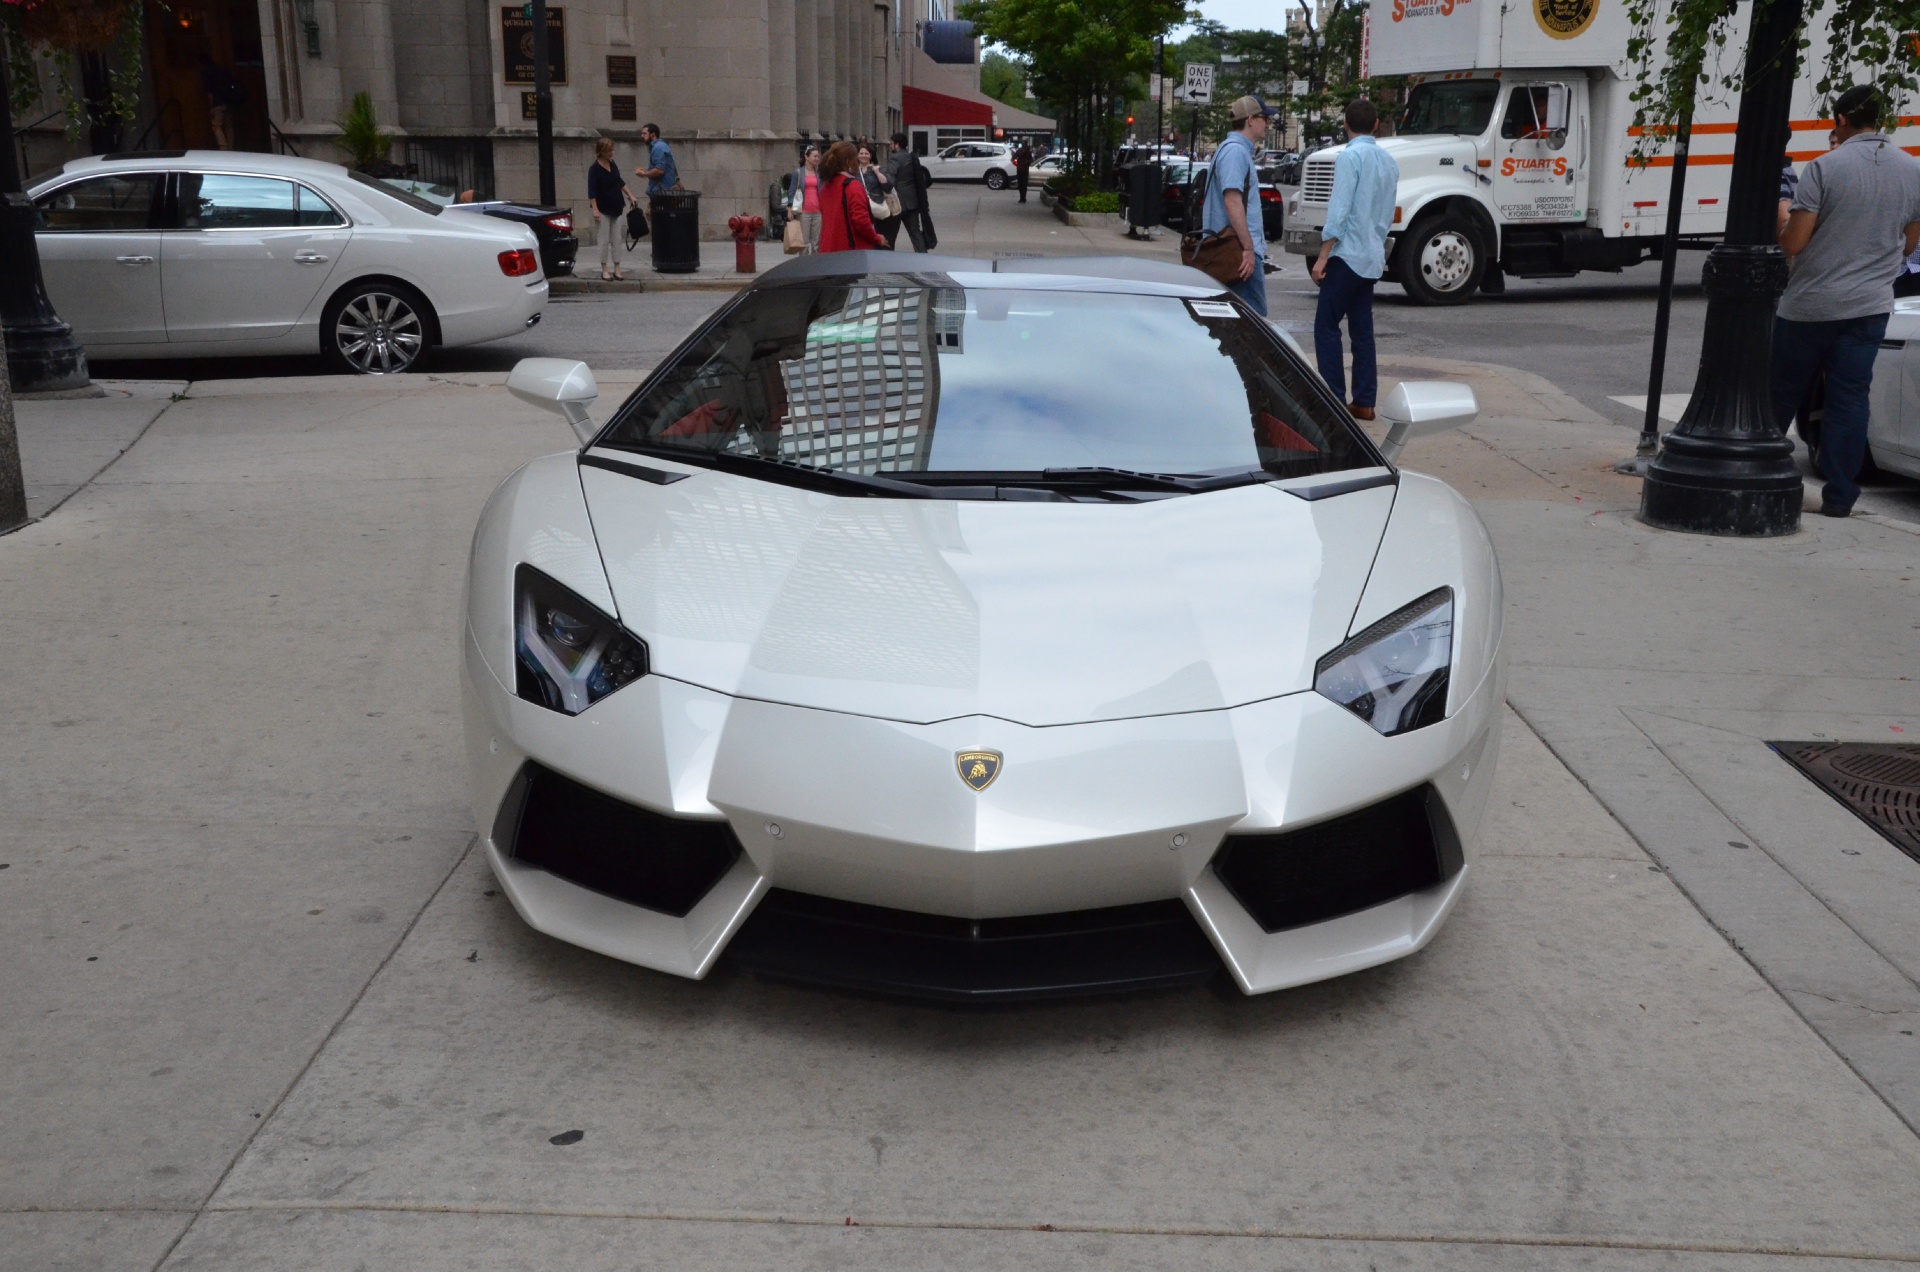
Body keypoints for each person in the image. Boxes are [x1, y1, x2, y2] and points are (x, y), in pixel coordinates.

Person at [1771, 84, 1920, 516]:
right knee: (1850, 399)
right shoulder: (1912, 170)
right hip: (1870, 307)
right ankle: (1839, 496)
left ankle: (1761, 474)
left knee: (1780, 394)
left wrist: (1783, 222)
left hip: (1810, 305)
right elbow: (1911, 244)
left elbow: (1795, 242)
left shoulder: (1824, 167)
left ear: (1840, 120)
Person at [1311, 98, 1400, 421]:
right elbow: (1386, 213)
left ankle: (1334, 398)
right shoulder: (1389, 162)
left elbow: (1340, 210)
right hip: (1372, 254)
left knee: (1326, 325)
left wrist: (1323, 255)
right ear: (1376, 125)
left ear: (1345, 124)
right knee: (1362, 330)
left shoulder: (1349, 158)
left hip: (1347, 254)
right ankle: (1364, 400)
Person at [1200, 94, 1279, 316]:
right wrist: (1248, 249)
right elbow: (1232, 200)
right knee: (1254, 323)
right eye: (1265, 118)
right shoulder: (1235, 152)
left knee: (1234, 322)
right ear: (1250, 120)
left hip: (1231, 251)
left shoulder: (1233, 150)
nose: (1268, 124)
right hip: (1236, 254)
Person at [816, 140, 884, 253]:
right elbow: (861, 221)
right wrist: (877, 238)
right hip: (850, 250)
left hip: (828, 248)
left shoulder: (826, 187)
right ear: (848, 162)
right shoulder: (853, 186)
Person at [587, 138, 635, 280]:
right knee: (603, 239)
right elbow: (592, 191)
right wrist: (595, 209)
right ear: (602, 151)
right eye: (609, 150)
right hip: (603, 208)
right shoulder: (594, 169)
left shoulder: (613, 164)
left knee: (617, 239)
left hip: (616, 206)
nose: (612, 152)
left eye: (612, 150)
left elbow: (620, 181)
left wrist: (630, 195)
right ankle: (604, 269)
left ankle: (617, 268)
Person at [887, 132, 936, 252]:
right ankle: (922, 255)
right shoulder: (911, 157)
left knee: (890, 234)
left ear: (897, 145)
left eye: (891, 143)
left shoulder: (895, 158)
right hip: (912, 202)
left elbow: (890, 179)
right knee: (915, 233)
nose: (890, 146)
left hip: (897, 203)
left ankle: (888, 257)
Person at [856, 142, 900, 247]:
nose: (863, 156)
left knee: (882, 242)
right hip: (862, 208)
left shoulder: (879, 169)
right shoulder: (853, 171)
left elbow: (888, 186)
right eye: (861, 153)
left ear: (871, 155)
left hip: (878, 209)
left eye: (866, 153)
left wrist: (877, 173)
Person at [199, 54, 245, 150]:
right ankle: (231, 148)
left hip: (218, 102)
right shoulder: (222, 69)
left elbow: (210, 92)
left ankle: (223, 148)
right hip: (229, 100)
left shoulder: (206, 72)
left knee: (216, 126)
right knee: (229, 126)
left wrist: (211, 107)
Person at [788, 144, 823, 253]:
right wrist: (789, 210)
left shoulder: (819, 173)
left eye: (818, 156)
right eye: (815, 156)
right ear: (807, 157)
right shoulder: (798, 173)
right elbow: (792, 192)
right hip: (804, 211)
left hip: (818, 211)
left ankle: (816, 262)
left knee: (816, 243)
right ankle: (804, 262)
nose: (817, 158)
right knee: (804, 242)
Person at [636, 122, 678, 196]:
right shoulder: (661, 145)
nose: (642, 136)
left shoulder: (658, 148)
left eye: (644, 133)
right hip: (663, 190)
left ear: (653, 134)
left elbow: (659, 170)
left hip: (662, 191)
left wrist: (644, 174)